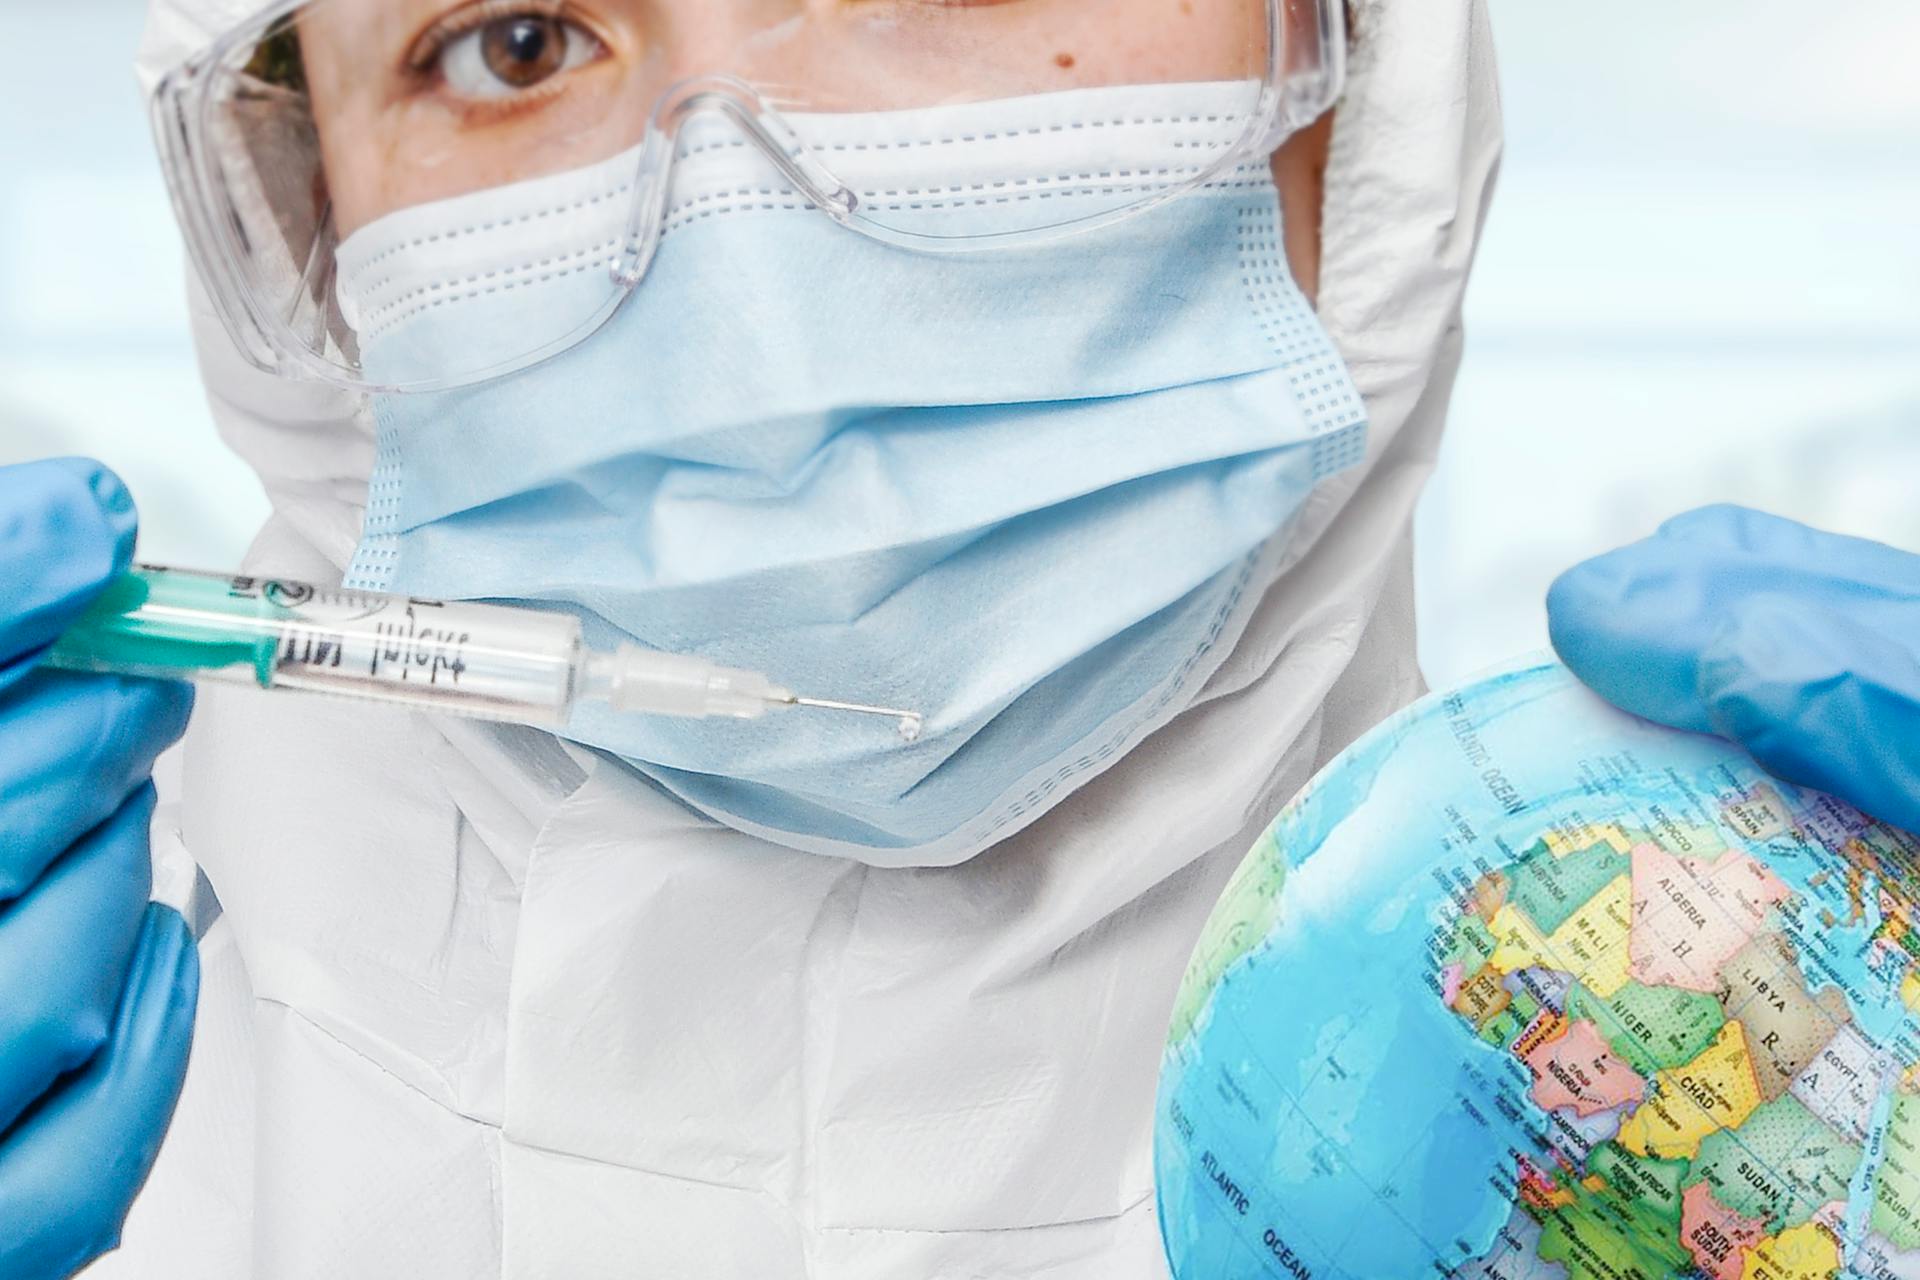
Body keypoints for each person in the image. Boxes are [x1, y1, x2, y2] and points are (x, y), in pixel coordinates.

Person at [0, 0, 1900, 1276]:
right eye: (514, 38)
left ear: (1366, 66)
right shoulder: (76, 1106)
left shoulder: (1743, 1075)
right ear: (300, 226)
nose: (746, 249)